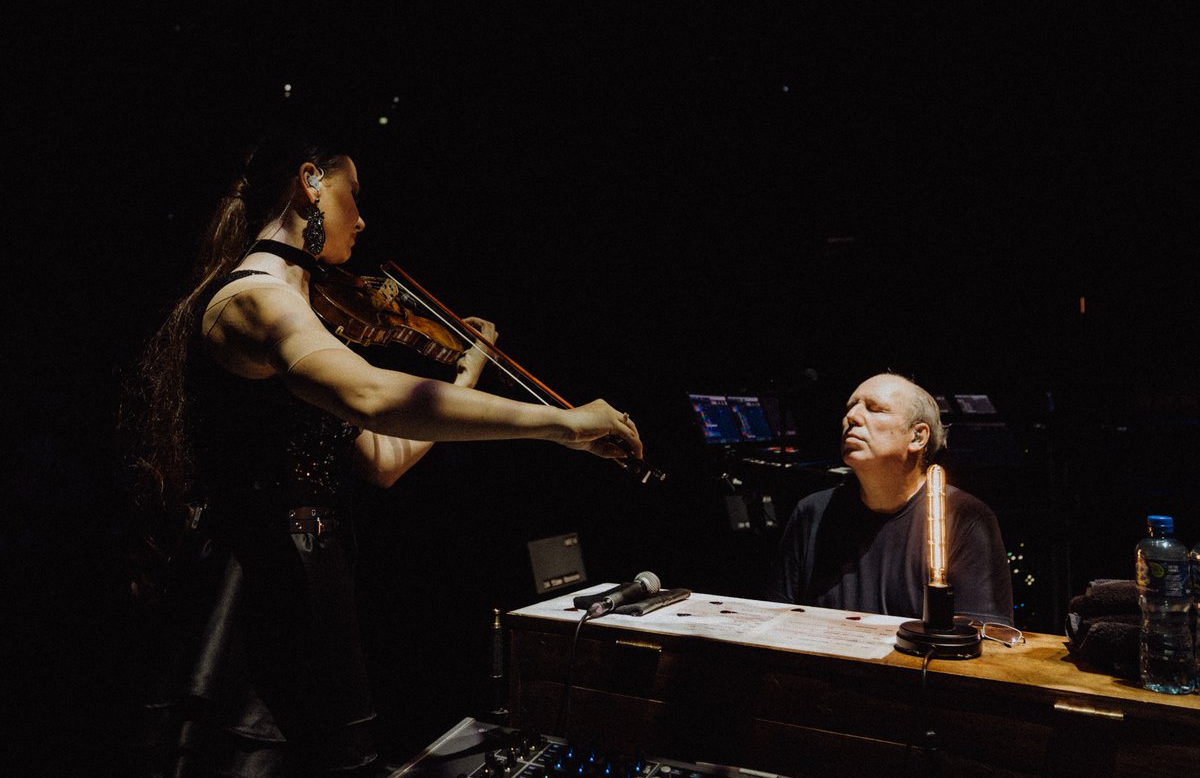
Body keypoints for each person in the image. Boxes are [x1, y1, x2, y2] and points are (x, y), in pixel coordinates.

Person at [119, 126, 643, 777]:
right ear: (310, 182)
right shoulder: (255, 299)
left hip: (312, 583)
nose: (362, 220)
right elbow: (368, 393)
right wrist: (560, 423)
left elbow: (382, 459)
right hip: (257, 592)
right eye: (352, 194)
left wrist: (465, 374)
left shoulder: (299, 304)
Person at [766, 372, 1013, 626]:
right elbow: (775, 621)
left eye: (875, 409)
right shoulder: (811, 512)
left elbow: (986, 636)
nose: (852, 417)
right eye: (851, 408)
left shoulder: (966, 519)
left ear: (917, 436)